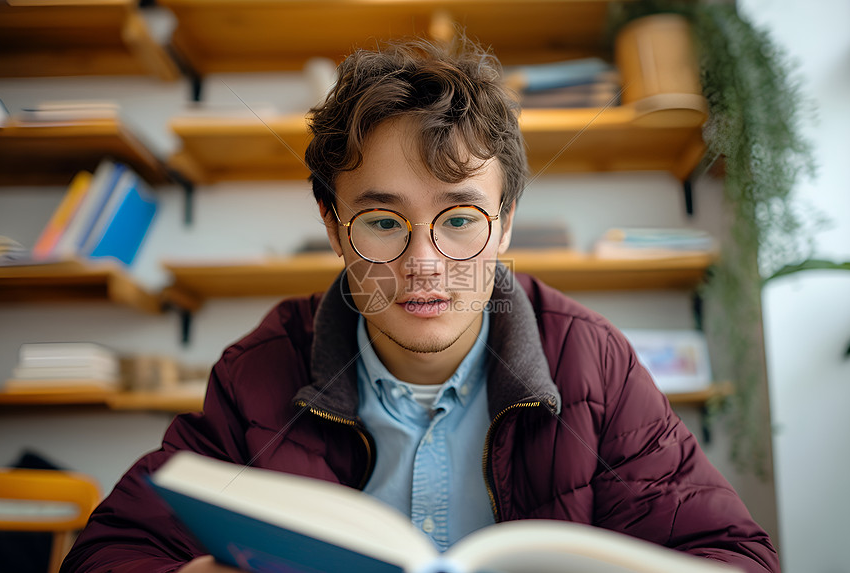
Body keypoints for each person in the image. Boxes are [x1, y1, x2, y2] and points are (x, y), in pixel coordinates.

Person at [61, 37, 779, 573]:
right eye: (382, 222)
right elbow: (108, 552)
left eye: (461, 219)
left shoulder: (592, 361)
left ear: (503, 222)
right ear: (332, 225)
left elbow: (738, 556)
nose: (423, 264)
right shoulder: (261, 366)